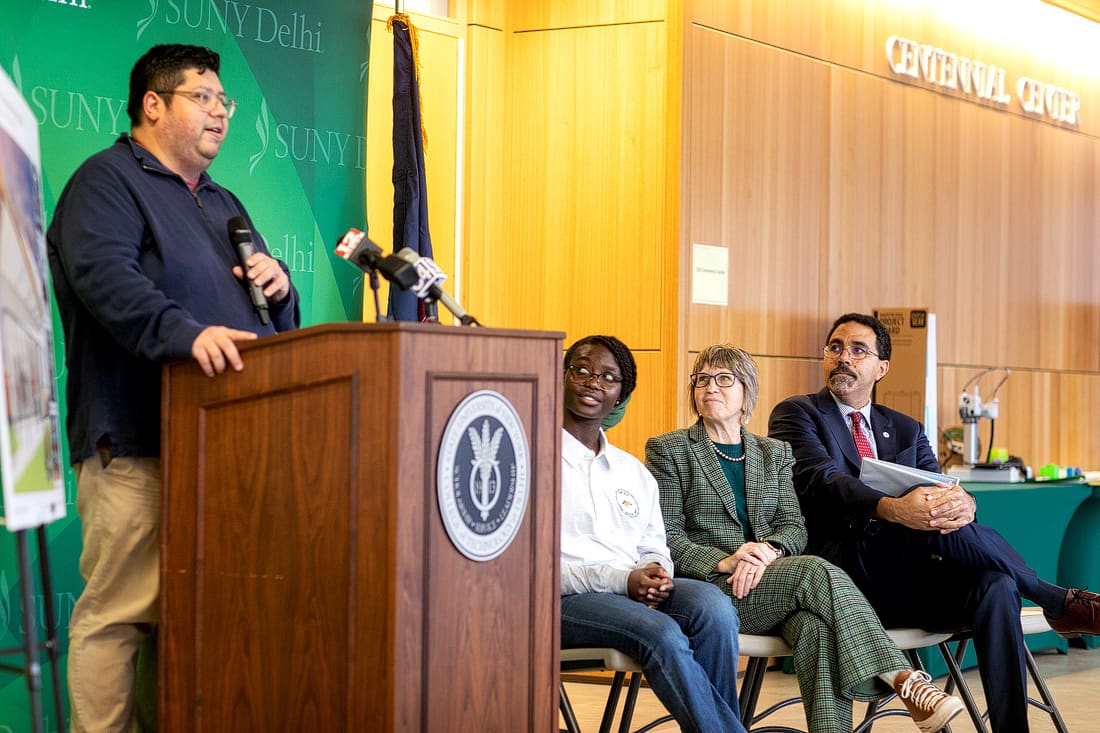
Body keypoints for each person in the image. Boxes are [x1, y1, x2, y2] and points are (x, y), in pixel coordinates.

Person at [47, 44, 300, 732]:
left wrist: (280, 289)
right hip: (137, 440)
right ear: (153, 104)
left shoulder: (223, 202)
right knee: (120, 615)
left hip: (226, 451)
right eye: (204, 97)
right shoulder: (105, 183)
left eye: (226, 102)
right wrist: (186, 334)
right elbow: (106, 278)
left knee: (189, 617)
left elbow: (265, 313)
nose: (221, 112)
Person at [768, 312, 1100, 733]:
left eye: (857, 350)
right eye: (835, 348)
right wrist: (894, 508)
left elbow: (942, 485)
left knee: (995, 585)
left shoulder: (905, 428)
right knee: (932, 522)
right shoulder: (798, 413)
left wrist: (965, 502)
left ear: (882, 368)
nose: (843, 358)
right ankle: (1053, 599)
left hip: (912, 580)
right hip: (845, 579)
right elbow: (821, 481)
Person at [646, 344, 963, 733]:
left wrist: (768, 550)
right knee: (814, 569)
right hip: (716, 590)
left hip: (772, 582)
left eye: (724, 379)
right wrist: (725, 560)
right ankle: (903, 678)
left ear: (747, 392)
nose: (710, 387)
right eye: (702, 380)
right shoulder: (670, 450)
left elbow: (793, 527)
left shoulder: (774, 452)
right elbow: (666, 536)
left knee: (816, 631)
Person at [559, 335, 747, 733]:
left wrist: (656, 573)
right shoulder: (532, 456)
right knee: (660, 631)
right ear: (561, 377)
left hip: (629, 592)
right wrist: (624, 581)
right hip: (562, 600)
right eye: (582, 370)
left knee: (712, 606)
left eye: (609, 377)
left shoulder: (631, 471)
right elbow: (533, 566)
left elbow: (652, 544)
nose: (594, 382)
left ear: (621, 395)